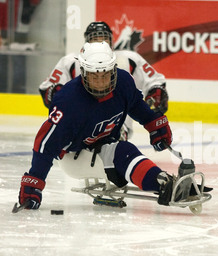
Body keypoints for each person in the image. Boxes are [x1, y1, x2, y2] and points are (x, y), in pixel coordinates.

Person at [17, 41, 191, 210]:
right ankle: (163, 184)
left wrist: (153, 123)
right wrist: (34, 181)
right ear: (84, 73)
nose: (100, 82)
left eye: (105, 75)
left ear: (113, 70)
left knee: (120, 150)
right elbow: (46, 144)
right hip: (73, 156)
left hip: (105, 140)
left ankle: (163, 181)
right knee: (122, 152)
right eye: (94, 76)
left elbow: (136, 105)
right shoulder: (68, 101)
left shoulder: (123, 81)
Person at [38, 21, 168, 140]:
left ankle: (119, 134)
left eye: (104, 38)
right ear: (87, 42)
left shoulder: (128, 59)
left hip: (119, 124)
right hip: (82, 126)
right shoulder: (72, 62)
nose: (101, 42)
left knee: (116, 145)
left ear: (111, 40)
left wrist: (156, 95)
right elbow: (50, 90)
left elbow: (155, 82)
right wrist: (58, 96)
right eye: (95, 39)